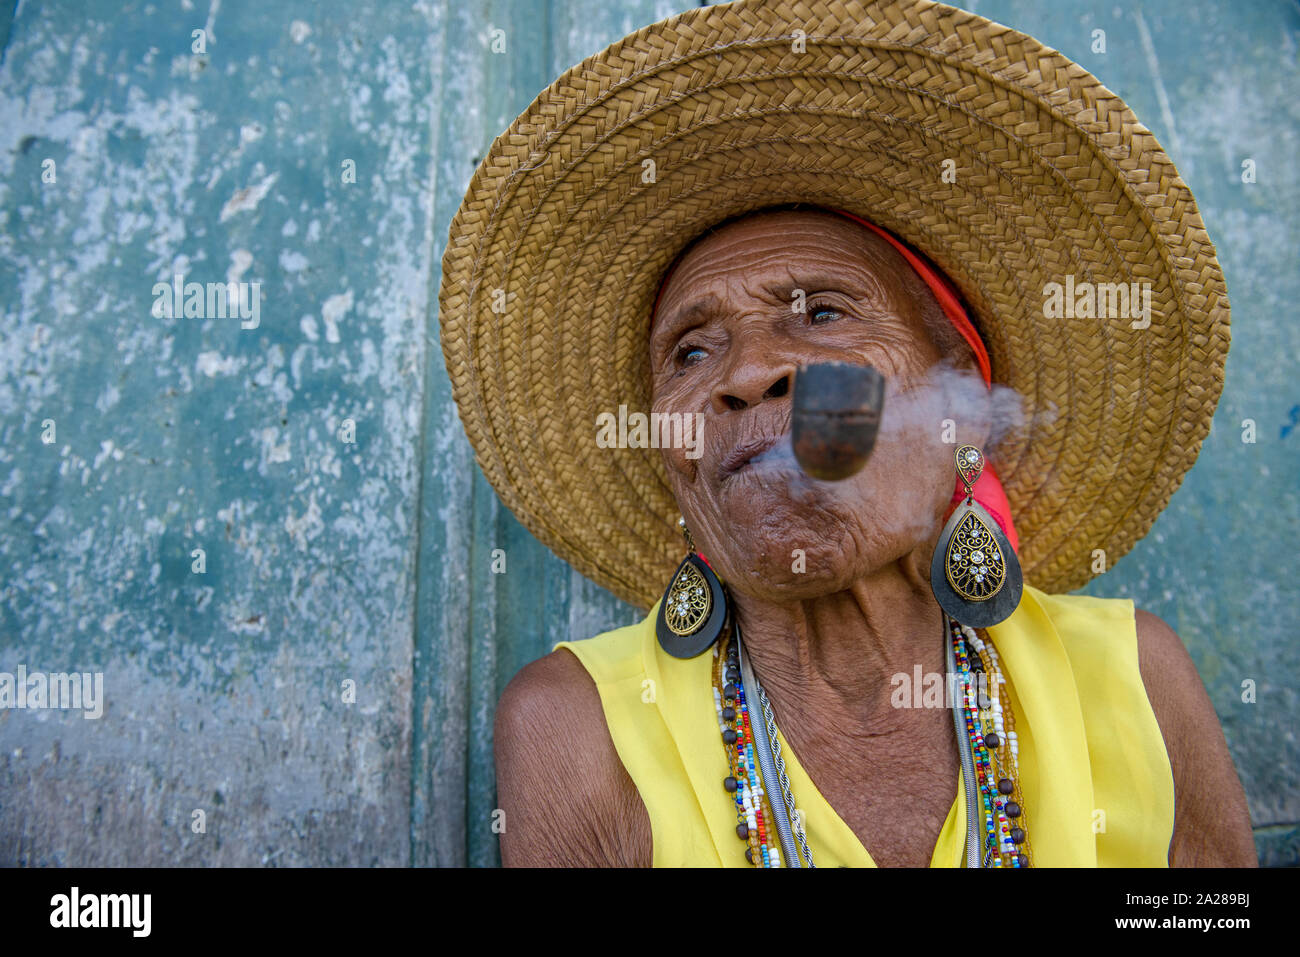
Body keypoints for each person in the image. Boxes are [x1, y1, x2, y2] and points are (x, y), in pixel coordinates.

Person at [437, 0, 1256, 867]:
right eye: (690, 351)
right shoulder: (576, 728)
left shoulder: (1133, 679)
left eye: (822, 311)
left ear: (960, 398)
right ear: (673, 462)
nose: (747, 374)